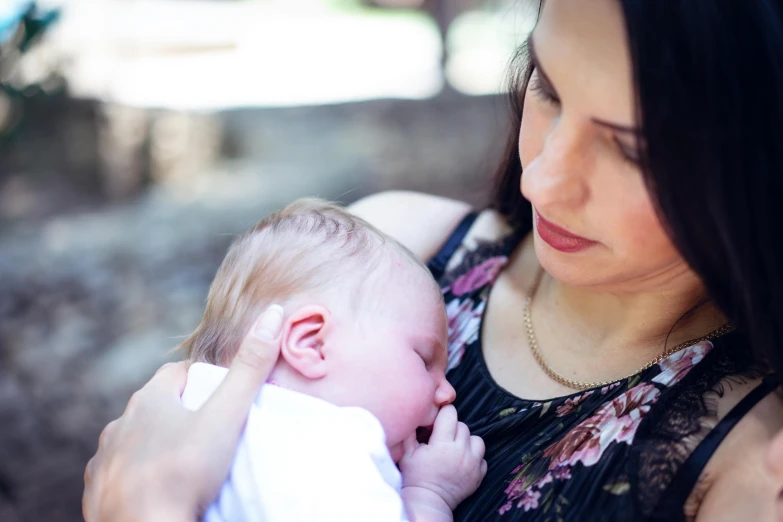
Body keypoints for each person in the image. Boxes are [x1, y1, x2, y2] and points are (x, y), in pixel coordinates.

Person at [83, 0, 783, 520]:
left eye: (632, 148)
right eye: (547, 86)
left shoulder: (745, 469)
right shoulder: (386, 252)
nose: (541, 179)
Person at [178, 198, 486, 521]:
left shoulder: (179, 414)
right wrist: (429, 495)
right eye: (424, 359)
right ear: (311, 345)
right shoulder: (331, 454)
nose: (447, 392)